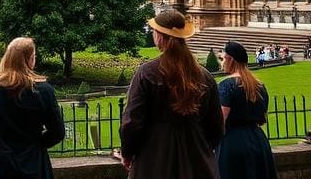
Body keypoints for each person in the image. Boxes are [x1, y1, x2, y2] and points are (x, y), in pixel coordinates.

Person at [119, 10, 224, 179]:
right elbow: (216, 126)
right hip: (195, 157)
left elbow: (131, 122)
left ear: (159, 36)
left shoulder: (147, 73)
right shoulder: (204, 76)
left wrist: (127, 152)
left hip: (154, 156)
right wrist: (200, 146)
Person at [0, 37, 65, 179]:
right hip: (34, 161)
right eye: (33, 57)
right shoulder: (44, 91)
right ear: (29, 60)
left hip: (1, 162)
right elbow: (58, 132)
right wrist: (39, 142)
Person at [217, 41, 278, 179]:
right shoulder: (259, 85)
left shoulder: (226, 85)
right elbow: (262, 119)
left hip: (233, 142)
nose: (222, 62)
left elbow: (220, 120)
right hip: (258, 140)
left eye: (223, 58)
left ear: (230, 59)